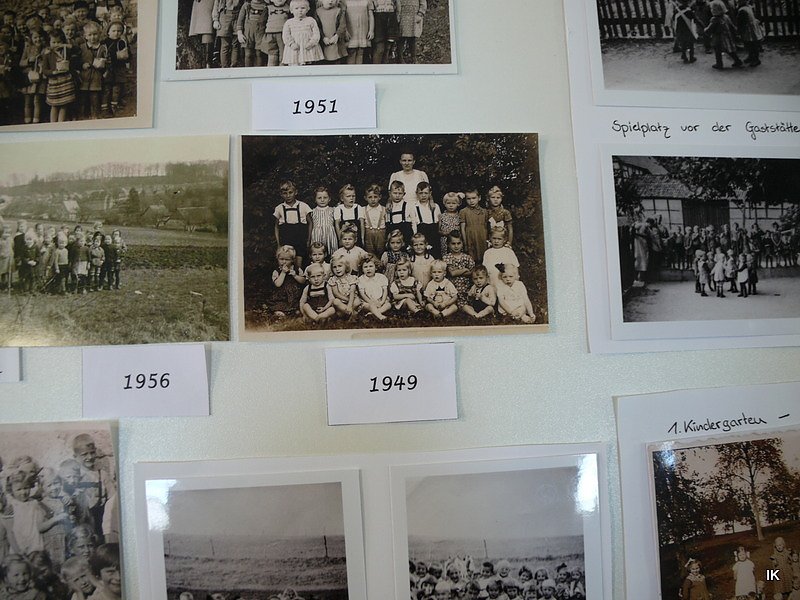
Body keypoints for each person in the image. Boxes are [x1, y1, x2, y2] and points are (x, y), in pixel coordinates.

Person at [274, 180, 312, 269]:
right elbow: (276, 226)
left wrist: (308, 239)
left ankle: (300, 281)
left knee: (299, 265)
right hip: (286, 241)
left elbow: (310, 223)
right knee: (286, 264)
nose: (288, 195)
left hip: (300, 240)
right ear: (281, 194)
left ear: (296, 192)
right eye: (285, 193)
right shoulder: (279, 208)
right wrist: (279, 244)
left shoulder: (303, 206)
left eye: (290, 192)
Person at [5, 470, 44, 554]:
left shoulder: (34, 503)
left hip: (35, 547)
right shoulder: (11, 507)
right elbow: (10, 533)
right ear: (11, 491)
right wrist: (18, 551)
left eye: (26, 488)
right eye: (18, 489)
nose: (23, 492)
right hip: (19, 549)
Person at [42, 29, 76, 123]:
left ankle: (61, 123)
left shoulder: (65, 51)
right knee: (54, 105)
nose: (56, 44)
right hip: (54, 82)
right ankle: (53, 124)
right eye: (53, 42)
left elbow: (76, 50)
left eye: (59, 42)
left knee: (64, 104)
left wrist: (65, 45)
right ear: (49, 42)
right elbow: (44, 70)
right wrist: (53, 72)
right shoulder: (47, 54)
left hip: (65, 81)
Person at [79, 21, 107, 119]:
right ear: (85, 36)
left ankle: (95, 117)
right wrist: (82, 65)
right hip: (84, 78)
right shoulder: (82, 48)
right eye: (90, 35)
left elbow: (108, 61)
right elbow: (76, 61)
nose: (93, 37)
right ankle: (82, 118)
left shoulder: (103, 48)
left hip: (96, 78)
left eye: (95, 34)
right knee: (82, 100)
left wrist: (103, 64)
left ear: (99, 34)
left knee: (95, 99)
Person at [282, 0, 324, 65]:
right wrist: (291, 44)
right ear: (291, 10)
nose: (300, 10)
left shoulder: (311, 20)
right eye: (296, 8)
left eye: (303, 8)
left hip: (308, 48)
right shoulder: (289, 22)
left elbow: (316, 34)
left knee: (309, 64)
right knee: (294, 64)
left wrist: (311, 43)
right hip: (295, 49)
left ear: (308, 9)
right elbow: (286, 35)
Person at [268, 245, 305, 318]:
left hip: (294, 295)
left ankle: (293, 311)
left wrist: (295, 276)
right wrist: (283, 273)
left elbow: (303, 281)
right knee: (279, 305)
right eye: (281, 259)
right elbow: (278, 284)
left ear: (292, 260)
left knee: (298, 306)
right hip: (282, 296)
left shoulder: (297, 269)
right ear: (277, 259)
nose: (284, 262)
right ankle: (280, 312)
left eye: (287, 259)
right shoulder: (277, 271)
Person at [704, 0, 742, 70]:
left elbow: (710, 28)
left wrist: (706, 30)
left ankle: (719, 64)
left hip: (718, 38)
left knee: (717, 51)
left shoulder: (714, 19)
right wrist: (735, 32)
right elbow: (732, 26)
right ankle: (737, 60)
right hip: (727, 36)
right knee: (729, 50)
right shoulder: (726, 17)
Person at [101, 20, 128, 116]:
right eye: (114, 31)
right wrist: (116, 55)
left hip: (118, 69)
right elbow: (103, 54)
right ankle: (104, 108)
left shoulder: (122, 42)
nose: (116, 33)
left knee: (116, 89)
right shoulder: (104, 43)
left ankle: (114, 107)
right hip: (108, 69)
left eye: (119, 31)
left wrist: (121, 56)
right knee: (107, 89)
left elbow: (126, 56)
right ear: (108, 32)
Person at [442, 231, 474, 307]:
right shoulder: (447, 258)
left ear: (462, 243)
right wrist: (464, 270)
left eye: (458, 243)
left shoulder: (467, 257)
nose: (456, 246)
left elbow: (472, 272)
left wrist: (458, 271)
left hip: (465, 286)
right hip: (452, 287)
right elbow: (452, 273)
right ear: (448, 244)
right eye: (453, 244)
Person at [356, 253, 390, 320]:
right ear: (362, 269)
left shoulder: (381, 277)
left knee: (388, 305)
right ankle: (380, 316)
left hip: (380, 300)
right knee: (370, 306)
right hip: (368, 301)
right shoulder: (361, 279)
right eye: (365, 267)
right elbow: (362, 294)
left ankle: (373, 314)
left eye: (371, 266)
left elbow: (385, 291)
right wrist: (372, 302)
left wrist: (382, 302)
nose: (368, 269)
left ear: (376, 267)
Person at [307, 186, 338, 259]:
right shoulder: (312, 211)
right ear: (315, 199)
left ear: (329, 199)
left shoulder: (333, 210)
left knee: (332, 255)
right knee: (317, 253)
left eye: (325, 197)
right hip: (317, 235)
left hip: (330, 236)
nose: (322, 200)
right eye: (319, 198)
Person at [236, 0, 269, 67]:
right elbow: (240, 20)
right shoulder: (246, 5)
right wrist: (239, 33)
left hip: (260, 33)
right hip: (248, 34)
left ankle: (258, 73)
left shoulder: (266, 6)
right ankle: (247, 73)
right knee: (248, 54)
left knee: (259, 54)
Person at [212, 0, 243, 68]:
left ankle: (233, 66)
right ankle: (224, 68)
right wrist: (215, 19)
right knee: (225, 45)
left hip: (237, 15)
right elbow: (216, 5)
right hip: (225, 15)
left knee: (235, 44)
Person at [460, 188, 487, 263]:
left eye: (474, 198)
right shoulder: (463, 211)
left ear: (479, 198)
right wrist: (465, 243)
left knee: (483, 257)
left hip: (482, 237)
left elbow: (486, 226)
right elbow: (462, 228)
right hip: (470, 237)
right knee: (471, 258)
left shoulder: (484, 211)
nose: (471, 201)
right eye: (468, 199)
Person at [414, 182, 441, 258]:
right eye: (421, 193)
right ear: (417, 194)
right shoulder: (414, 207)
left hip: (434, 236)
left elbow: (439, 223)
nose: (423, 195)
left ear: (430, 193)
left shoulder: (435, 206)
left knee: (435, 256)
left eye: (426, 193)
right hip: (421, 236)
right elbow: (414, 225)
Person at [260, 0, 291, 66]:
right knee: (272, 54)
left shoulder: (289, 8)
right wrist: (262, 35)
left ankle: (282, 71)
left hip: (283, 34)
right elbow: (262, 22)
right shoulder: (268, 8)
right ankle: (271, 71)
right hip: (270, 34)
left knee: (283, 54)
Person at [344, 0, 374, 64]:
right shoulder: (345, 1)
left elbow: (371, 16)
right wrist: (345, 31)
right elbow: (342, 17)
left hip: (363, 32)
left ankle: (358, 72)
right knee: (351, 52)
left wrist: (371, 30)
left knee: (361, 53)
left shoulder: (367, 1)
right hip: (351, 32)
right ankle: (351, 72)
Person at [737, 0, 763, 66]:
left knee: (752, 44)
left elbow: (741, 22)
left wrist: (739, 30)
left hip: (748, 29)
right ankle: (751, 56)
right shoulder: (749, 7)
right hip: (751, 28)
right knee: (749, 43)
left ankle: (756, 59)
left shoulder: (742, 10)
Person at [363, 184, 386, 257]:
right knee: (370, 253)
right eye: (370, 197)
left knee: (381, 252)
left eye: (375, 197)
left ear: (380, 197)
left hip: (381, 234)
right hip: (368, 234)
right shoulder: (363, 210)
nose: (373, 199)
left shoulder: (384, 209)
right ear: (365, 198)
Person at [672, 0, 697, 64]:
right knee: (691, 44)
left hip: (680, 30)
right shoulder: (689, 11)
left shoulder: (676, 11)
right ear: (687, 3)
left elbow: (673, 19)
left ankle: (684, 56)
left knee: (683, 44)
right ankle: (691, 57)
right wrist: (703, 26)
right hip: (688, 30)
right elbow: (696, 19)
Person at [438, 192, 462, 258]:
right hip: (445, 241)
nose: (451, 205)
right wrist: (445, 233)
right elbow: (438, 230)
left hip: (456, 241)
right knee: (446, 257)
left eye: (453, 203)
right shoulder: (441, 216)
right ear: (444, 204)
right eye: (448, 203)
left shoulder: (459, 216)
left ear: (458, 204)